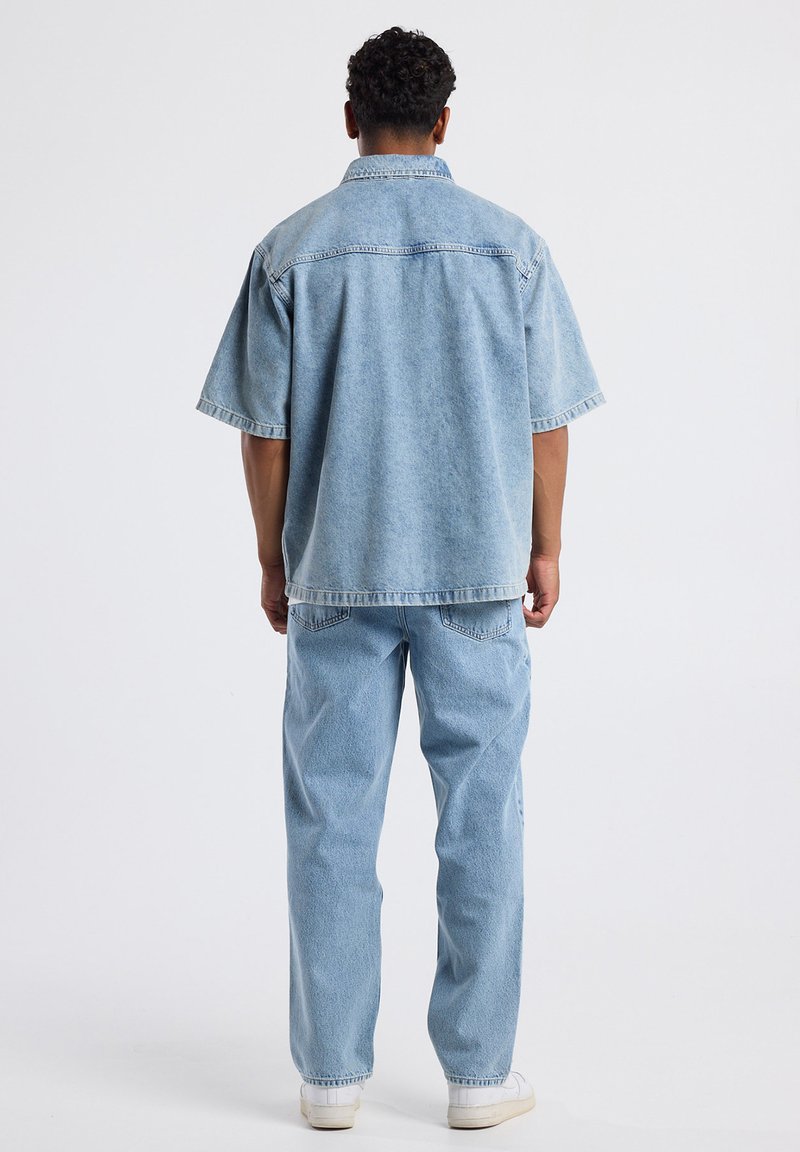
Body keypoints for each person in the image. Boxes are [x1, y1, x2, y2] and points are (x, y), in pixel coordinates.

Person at [195, 24, 606, 1131]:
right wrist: (545, 546)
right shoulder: (512, 247)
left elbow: (264, 434)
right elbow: (548, 422)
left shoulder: (291, 250)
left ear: (349, 118)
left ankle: (331, 1077)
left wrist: (273, 556)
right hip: (477, 574)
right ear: (444, 122)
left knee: (331, 819)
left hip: (337, 571)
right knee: (483, 821)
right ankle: (477, 1076)